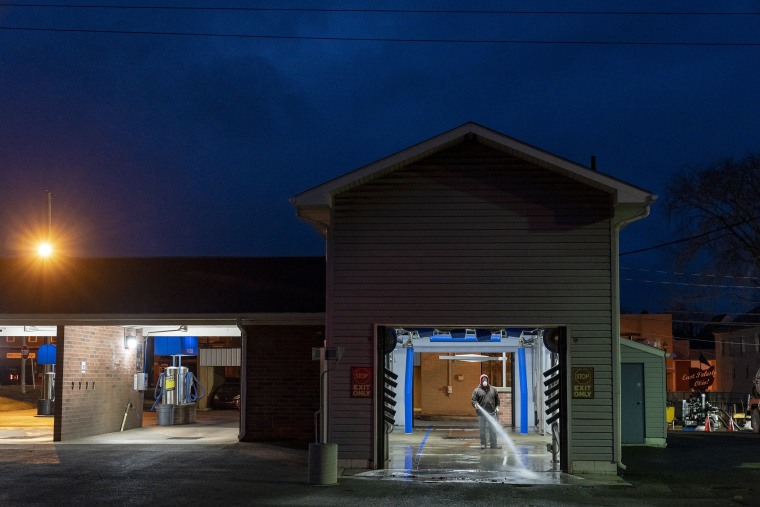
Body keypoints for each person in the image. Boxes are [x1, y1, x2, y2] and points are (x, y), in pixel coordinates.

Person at [471, 373, 501, 449]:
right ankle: (483, 444)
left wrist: (497, 406)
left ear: (487, 380)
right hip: (482, 414)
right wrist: (475, 404)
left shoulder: (493, 389)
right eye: (483, 379)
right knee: (482, 429)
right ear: (481, 381)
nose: (484, 381)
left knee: (493, 428)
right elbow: (473, 400)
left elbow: (497, 400)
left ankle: (493, 444)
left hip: (492, 413)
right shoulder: (477, 390)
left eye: (486, 379)